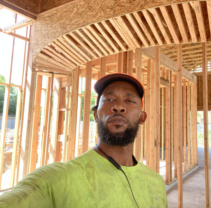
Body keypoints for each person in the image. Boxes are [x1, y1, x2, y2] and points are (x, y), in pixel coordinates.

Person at [0, 73, 168, 208]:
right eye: (109, 100)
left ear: (142, 117)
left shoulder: (156, 182)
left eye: (130, 101)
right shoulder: (59, 180)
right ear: (95, 114)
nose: (118, 106)